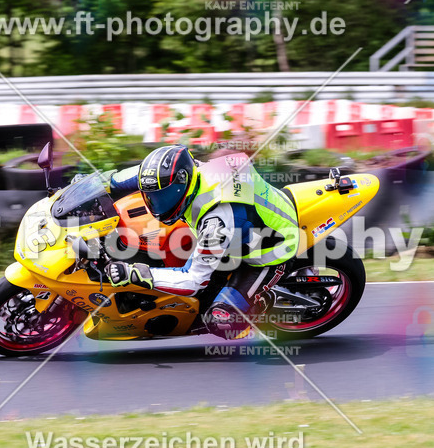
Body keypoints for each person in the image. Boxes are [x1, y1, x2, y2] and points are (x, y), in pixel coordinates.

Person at [104, 145, 300, 339]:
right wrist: (99, 184)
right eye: (152, 196)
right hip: (248, 226)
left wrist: (135, 273)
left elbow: (193, 280)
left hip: (270, 251)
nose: (157, 203)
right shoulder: (191, 170)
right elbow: (130, 177)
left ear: (182, 184)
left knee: (221, 321)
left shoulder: (217, 223)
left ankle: (258, 305)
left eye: (164, 196)